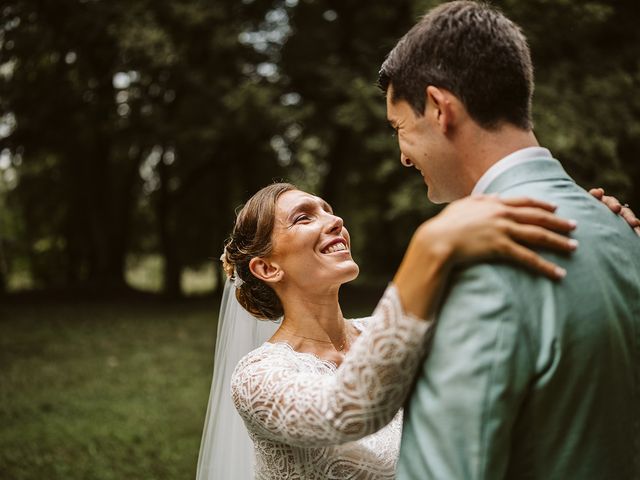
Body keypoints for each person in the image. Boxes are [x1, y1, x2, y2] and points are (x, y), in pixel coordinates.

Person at [195, 181, 634, 479]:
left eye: (329, 210)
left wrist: (595, 240)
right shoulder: (257, 378)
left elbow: (512, 330)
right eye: (304, 217)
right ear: (267, 267)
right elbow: (349, 409)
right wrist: (428, 250)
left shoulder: (384, 333)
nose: (334, 221)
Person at [377, 1, 640, 478]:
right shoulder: (621, 231)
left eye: (400, 129)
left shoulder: (479, 263)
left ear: (439, 109)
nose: (403, 157)